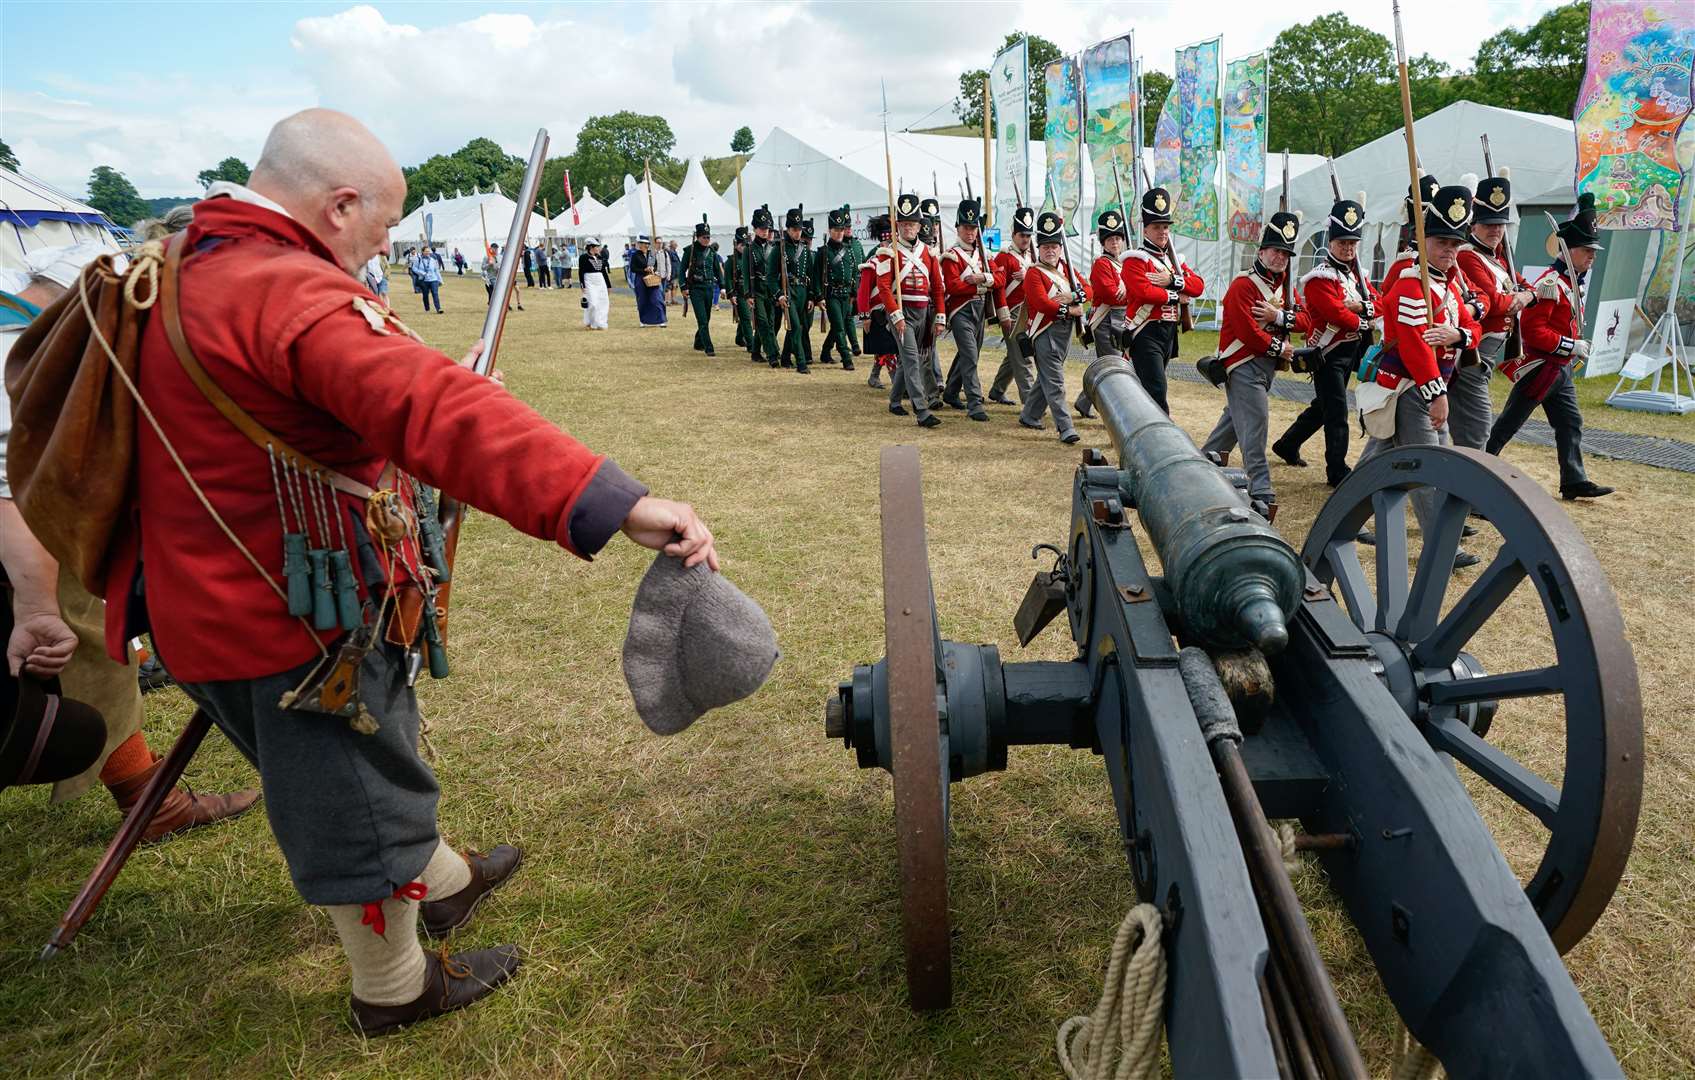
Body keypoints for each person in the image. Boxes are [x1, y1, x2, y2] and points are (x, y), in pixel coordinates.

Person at [80, 107, 721, 1035]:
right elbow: (432, 409)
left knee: (373, 763)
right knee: (353, 801)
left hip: (205, 604)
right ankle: (393, 989)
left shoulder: (182, 268)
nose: (382, 246)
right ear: (338, 204)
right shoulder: (287, 291)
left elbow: (318, 407)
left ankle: (447, 886)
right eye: (381, 228)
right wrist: (614, 501)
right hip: (289, 616)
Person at [0, 244, 258, 837]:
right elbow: (13, 491)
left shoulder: (31, 319)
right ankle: (151, 803)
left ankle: (146, 794)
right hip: (23, 535)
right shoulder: (21, 350)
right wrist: (36, 605)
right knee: (86, 638)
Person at [1358, 183, 1484, 564]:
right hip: (1413, 390)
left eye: (1454, 244)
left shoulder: (1448, 285)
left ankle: (1343, 513)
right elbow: (1414, 346)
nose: (1449, 250)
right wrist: (1437, 393)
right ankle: (1441, 544)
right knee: (1431, 466)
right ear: (1423, 239)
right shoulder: (1412, 285)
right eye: (1442, 241)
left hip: (1424, 389)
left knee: (1376, 459)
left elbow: (1472, 327)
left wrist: (1457, 334)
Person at [1486, 193, 1613, 500]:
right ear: (1568, 251)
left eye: (1593, 250)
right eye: (1586, 250)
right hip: (1541, 368)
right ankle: (1479, 471)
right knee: (1507, 425)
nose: (1592, 256)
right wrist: (1571, 345)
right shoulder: (1550, 284)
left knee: (1571, 423)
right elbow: (1534, 332)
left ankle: (1573, 479)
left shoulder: (1571, 283)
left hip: (1561, 370)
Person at [1199, 210, 1311, 522]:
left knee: (1235, 425)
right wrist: (1281, 346)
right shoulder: (1242, 286)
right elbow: (1247, 331)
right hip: (1244, 364)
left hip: (1267, 366)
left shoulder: (1285, 286)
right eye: (1276, 251)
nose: (1280, 258)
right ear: (1261, 252)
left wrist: (1279, 317)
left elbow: (1306, 319)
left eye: (1286, 253)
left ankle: (1199, 467)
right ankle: (1261, 492)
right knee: (1256, 427)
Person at [1271, 195, 1380, 487]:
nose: (1348, 249)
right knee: (1337, 411)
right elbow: (1336, 313)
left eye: (1352, 244)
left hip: (1351, 349)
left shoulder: (1358, 276)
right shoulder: (1319, 278)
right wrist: (1362, 314)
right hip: (1327, 353)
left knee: (1324, 406)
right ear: (1330, 243)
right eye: (1343, 243)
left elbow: (1379, 302)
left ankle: (1287, 444)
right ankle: (1336, 470)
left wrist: (1360, 306)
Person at [1451, 171, 1530, 451]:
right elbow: (1493, 304)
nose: (1495, 230)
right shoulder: (1468, 256)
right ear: (1474, 225)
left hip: (1489, 350)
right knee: (1478, 427)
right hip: (1474, 351)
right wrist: (1519, 298)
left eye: (1500, 224)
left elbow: (1526, 287)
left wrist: (1523, 295)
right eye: (1488, 224)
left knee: (1472, 426)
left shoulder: (1497, 257)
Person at [1113, 187, 1204, 414]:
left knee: (1146, 389)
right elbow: (1145, 292)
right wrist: (1176, 295)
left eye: (1165, 227)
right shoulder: (1136, 259)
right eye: (1156, 227)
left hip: (1168, 334)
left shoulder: (1174, 262)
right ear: (1145, 229)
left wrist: (1171, 279)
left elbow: (1198, 286)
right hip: (1145, 332)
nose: (1162, 232)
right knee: (1156, 390)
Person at [1017, 210, 1092, 444]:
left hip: (1064, 332)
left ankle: (1029, 415)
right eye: (1046, 246)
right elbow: (1043, 304)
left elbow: (1089, 290)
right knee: (1056, 382)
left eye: (1054, 246)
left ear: (1060, 248)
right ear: (1038, 249)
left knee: (1047, 378)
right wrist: (1071, 309)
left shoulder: (1067, 269)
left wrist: (1071, 297)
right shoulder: (1033, 273)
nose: (1050, 250)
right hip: (1044, 331)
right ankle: (1065, 427)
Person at [871, 193, 944, 427]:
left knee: (907, 360)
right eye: (904, 224)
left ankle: (894, 401)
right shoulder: (888, 252)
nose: (908, 228)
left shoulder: (929, 253)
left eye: (912, 224)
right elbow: (883, 287)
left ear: (919, 225)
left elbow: (938, 288)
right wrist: (895, 314)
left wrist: (940, 316)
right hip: (901, 313)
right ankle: (921, 411)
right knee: (912, 359)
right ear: (898, 226)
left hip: (923, 311)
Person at [939, 197, 1002, 420]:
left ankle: (951, 391)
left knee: (968, 354)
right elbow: (953, 286)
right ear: (958, 228)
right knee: (970, 356)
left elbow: (1000, 278)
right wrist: (979, 284)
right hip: (961, 311)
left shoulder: (984, 255)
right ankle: (975, 403)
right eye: (966, 227)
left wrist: (982, 277)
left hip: (981, 310)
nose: (970, 232)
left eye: (974, 228)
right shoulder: (951, 255)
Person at [1072, 206, 1132, 418]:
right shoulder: (1102, 265)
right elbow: (1111, 295)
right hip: (1106, 320)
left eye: (1117, 238)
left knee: (1110, 366)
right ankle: (1112, 413)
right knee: (1112, 368)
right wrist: (1137, 293)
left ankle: (1084, 401)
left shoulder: (1125, 263)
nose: (1114, 243)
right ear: (1103, 243)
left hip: (1123, 320)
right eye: (1110, 240)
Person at [987, 205, 1037, 405]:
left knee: (1014, 355)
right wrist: (1003, 314)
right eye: (1021, 235)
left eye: (1028, 235)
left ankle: (997, 390)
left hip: (1029, 313)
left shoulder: (1032, 258)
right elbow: (998, 288)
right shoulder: (1004, 257)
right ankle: (1031, 403)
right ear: (1013, 234)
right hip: (1012, 313)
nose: (1025, 239)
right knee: (1023, 358)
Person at [815, 206, 861, 371]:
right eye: (836, 229)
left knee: (836, 326)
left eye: (842, 229)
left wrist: (854, 292)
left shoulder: (848, 250)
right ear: (830, 230)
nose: (839, 233)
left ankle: (825, 352)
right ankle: (846, 358)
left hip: (846, 294)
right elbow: (817, 276)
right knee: (840, 327)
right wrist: (819, 296)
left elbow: (854, 272)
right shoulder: (823, 252)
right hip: (832, 295)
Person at [856, 214, 900, 389]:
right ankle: (897, 382)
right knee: (888, 348)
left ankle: (874, 376)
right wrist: (865, 315)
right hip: (876, 313)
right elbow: (863, 292)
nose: (889, 246)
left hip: (893, 310)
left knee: (886, 346)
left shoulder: (898, 264)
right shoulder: (872, 264)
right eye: (887, 243)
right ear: (881, 244)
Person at [774, 209, 813, 372]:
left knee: (799, 326)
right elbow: (770, 276)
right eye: (794, 230)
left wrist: (811, 296)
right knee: (795, 326)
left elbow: (810, 274)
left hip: (803, 292)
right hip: (788, 290)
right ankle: (801, 362)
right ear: (788, 230)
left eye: (799, 230)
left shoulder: (804, 249)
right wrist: (779, 294)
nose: (797, 233)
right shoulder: (779, 248)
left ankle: (785, 357)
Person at [677, 217, 722, 356]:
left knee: (706, 318)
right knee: (702, 319)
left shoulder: (712, 253)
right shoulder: (689, 251)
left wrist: (723, 286)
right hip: (696, 289)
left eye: (708, 237)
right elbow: (681, 270)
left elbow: (717, 271)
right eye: (704, 237)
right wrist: (683, 286)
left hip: (709, 287)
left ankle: (698, 342)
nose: (707, 240)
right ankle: (709, 347)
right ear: (698, 237)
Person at [748, 206, 781, 366]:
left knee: (771, 322)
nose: (765, 231)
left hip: (770, 290)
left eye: (767, 228)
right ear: (755, 229)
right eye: (761, 229)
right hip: (757, 291)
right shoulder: (750, 249)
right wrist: (748, 294)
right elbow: (747, 273)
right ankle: (773, 354)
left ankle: (755, 351)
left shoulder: (772, 248)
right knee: (762, 321)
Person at [631, 237, 667, 327]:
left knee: (657, 298)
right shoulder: (636, 255)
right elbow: (633, 268)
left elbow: (655, 265)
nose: (643, 246)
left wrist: (652, 269)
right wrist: (644, 269)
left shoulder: (651, 254)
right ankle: (643, 321)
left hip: (652, 278)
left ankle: (661, 320)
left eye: (645, 244)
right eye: (641, 244)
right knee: (642, 299)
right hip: (640, 279)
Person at [579, 238, 610, 330]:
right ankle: (590, 322)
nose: (598, 248)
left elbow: (604, 272)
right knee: (592, 303)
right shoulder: (583, 257)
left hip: (600, 281)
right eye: (596, 246)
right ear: (591, 247)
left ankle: (600, 322)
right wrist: (582, 285)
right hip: (589, 280)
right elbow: (581, 272)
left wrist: (608, 285)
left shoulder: (600, 257)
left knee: (604, 302)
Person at [410, 246, 443, 314]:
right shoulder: (418, 259)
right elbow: (414, 268)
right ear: (423, 252)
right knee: (425, 295)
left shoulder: (432, 260)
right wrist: (422, 273)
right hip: (424, 280)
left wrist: (440, 280)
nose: (428, 252)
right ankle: (427, 309)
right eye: (426, 251)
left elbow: (436, 270)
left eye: (428, 251)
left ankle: (438, 308)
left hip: (434, 279)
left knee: (435, 293)